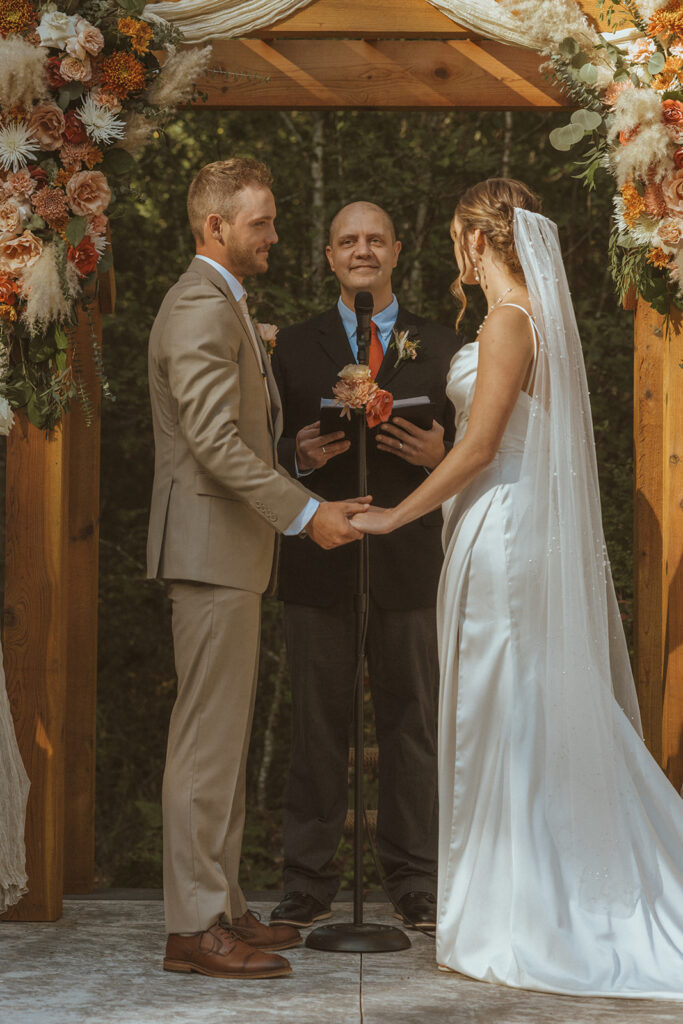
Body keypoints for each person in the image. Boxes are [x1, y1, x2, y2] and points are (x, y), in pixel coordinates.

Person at [352, 178, 683, 997]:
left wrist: (395, 518)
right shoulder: (532, 320)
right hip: (506, 513)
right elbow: (494, 446)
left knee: (502, 703)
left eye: (454, 244)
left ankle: (518, 910)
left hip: (502, 529)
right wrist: (443, 459)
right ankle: (510, 892)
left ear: (474, 240)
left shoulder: (507, 321)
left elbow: (481, 448)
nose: (453, 259)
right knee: (517, 704)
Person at [146, 159, 370, 980]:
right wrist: (307, 513)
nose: (275, 236)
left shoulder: (222, 304)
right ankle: (193, 927)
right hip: (208, 552)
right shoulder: (199, 307)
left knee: (222, 741)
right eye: (262, 223)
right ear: (216, 229)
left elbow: (232, 433)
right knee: (204, 746)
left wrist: (290, 455)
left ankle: (224, 901)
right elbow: (210, 442)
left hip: (229, 550)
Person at [269, 202, 462, 931]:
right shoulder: (291, 345)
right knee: (317, 724)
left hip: (410, 557)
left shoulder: (443, 345)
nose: (361, 251)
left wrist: (437, 456)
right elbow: (258, 449)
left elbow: (482, 449)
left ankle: (414, 878)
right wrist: (296, 456)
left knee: (411, 721)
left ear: (397, 252)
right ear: (327, 256)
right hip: (320, 555)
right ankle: (307, 880)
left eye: (374, 240)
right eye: (348, 241)